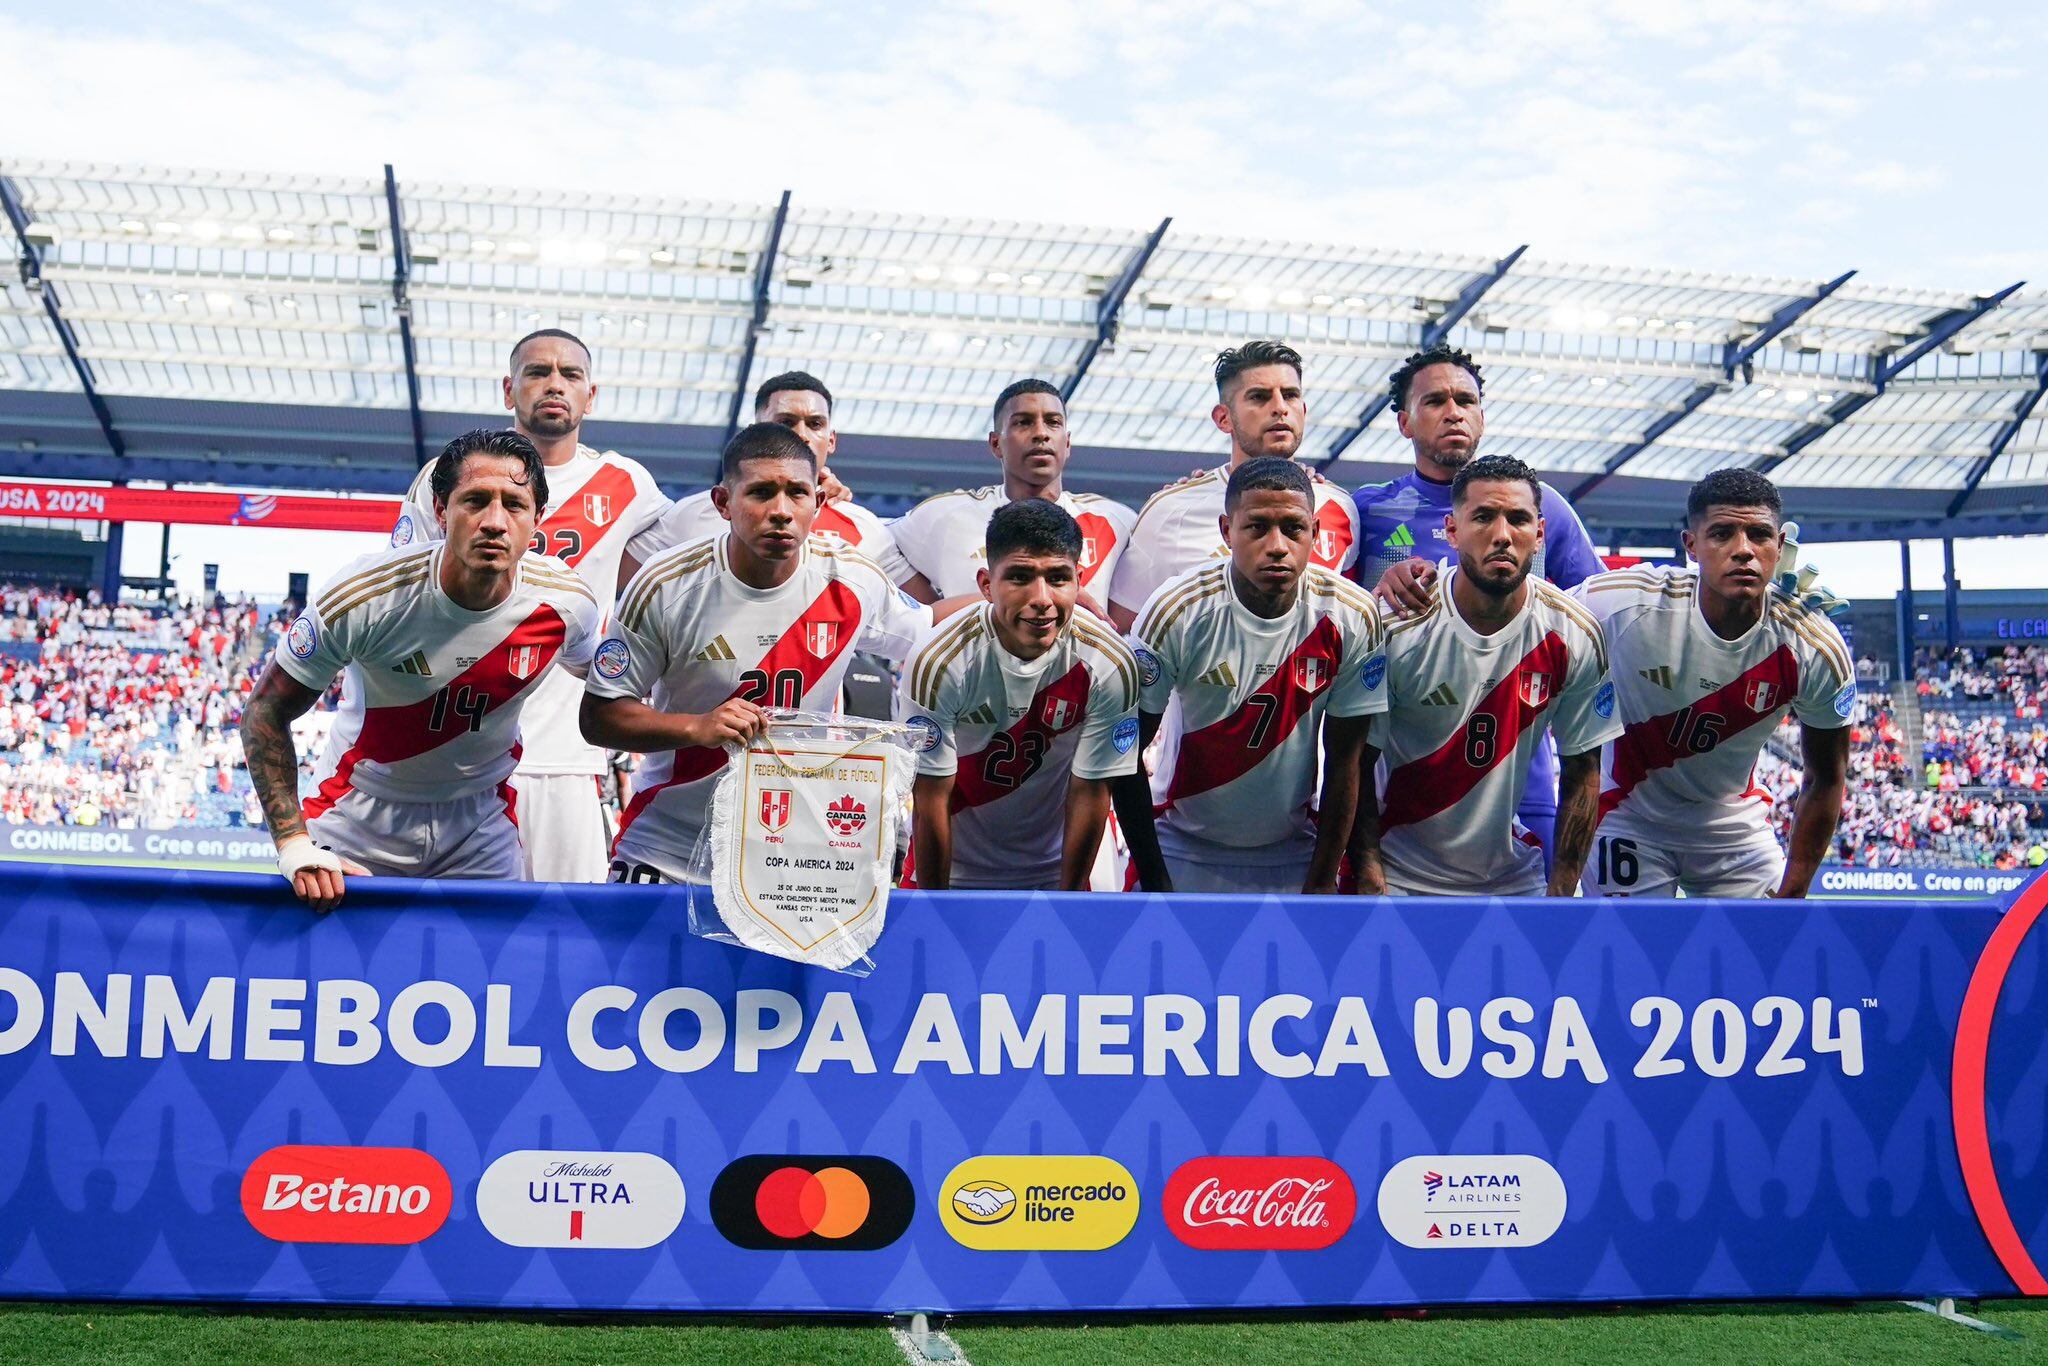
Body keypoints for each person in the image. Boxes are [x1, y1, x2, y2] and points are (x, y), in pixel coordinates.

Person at [241, 430, 601, 911]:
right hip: (358, 819)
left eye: (514, 505)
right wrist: (292, 843)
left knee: (493, 981)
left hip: (480, 828)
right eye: (475, 501)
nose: (494, 522)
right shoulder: (366, 596)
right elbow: (265, 710)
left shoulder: (569, 604)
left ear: (537, 519)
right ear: (439, 510)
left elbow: (607, 688)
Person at [582, 423, 934, 885]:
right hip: (669, 842)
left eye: (797, 494)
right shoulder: (665, 584)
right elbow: (599, 717)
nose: (782, 511)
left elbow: (934, 632)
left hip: (792, 851)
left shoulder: (855, 580)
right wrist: (696, 727)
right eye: (761, 492)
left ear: (819, 504)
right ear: (723, 503)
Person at [389, 329, 671, 882]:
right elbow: (403, 591)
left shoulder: (625, 483)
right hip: (457, 756)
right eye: (537, 372)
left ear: (591, 396)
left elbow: (715, 532)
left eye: (570, 375)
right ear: (508, 389)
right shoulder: (449, 475)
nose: (554, 384)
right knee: (457, 929)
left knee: (568, 928)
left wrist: (821, 494)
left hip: (565, 757)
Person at [1353, 345, 1606, 871]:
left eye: (1466, 400)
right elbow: (1327, 617)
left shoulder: (1543, 508)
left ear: (1483, 417)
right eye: (1435, 401)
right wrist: (1376, 593)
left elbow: (1599, 611)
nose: (1454, 412)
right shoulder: (1367, 510)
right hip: (1405, 792)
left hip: (1523, 788)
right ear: (1404, 422)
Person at [1575, 468, 1852, 898]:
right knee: (1631, 957)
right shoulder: (1624, 603)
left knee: (1771, 956)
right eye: (1722, 533)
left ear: (1780, 548)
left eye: (1759, 535)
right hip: (1628, 816)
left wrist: (1791, 898)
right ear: (1691, 545)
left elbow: (1826, 778)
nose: (1743, 550)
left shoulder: (1812, 645)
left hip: (1732, 827)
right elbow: (1533, 617)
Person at [1114, 457, 1385, 895]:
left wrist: (1321, 880)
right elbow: (1125, 757)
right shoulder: (1177, 610)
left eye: (1293, 528)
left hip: (1294, 849)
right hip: (1182, 846)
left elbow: (1347, 761)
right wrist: (1157, 880)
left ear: (1315, 532)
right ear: (1227, 531)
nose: (1277, 545)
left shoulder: (1351, 615)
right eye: (1257, 527)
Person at [898, 500, 1141, 891]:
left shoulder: (1110, 661)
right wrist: (937, 904)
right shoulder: (938, 660)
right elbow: (930, 799)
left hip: (1052, 872)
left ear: (1079, 581)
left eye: (1059, 578)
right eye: (1020, 577)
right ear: (985, 584)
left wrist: (1069, 896)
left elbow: (1091, 791)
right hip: (949, 870)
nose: (1042, 597)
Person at [1108, 341, 1361, 631]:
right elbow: (1124, 632)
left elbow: (1348, 625)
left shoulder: (1341, 508)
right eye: (1259, 397)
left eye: (1290, 395)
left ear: (1303, 409)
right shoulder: (1170, 511)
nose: (1279, 408)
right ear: (1223, 418)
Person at [889, 379, 1136, 607]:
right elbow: (869, 544)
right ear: (996, 444)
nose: (1041, 433)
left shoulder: (1116, 521)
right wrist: (929, 616)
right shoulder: (945, 516)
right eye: (1023, 422)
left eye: (1053, 422)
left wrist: (1175, 496)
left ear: (1067, 442)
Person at [645, 371, 901, 565]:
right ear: (755, 431)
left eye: (815, 424)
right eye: (786, 422)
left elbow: (912, 619)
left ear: (831, 439)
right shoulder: (692, 514)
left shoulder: (864, 527)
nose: (802, 435)